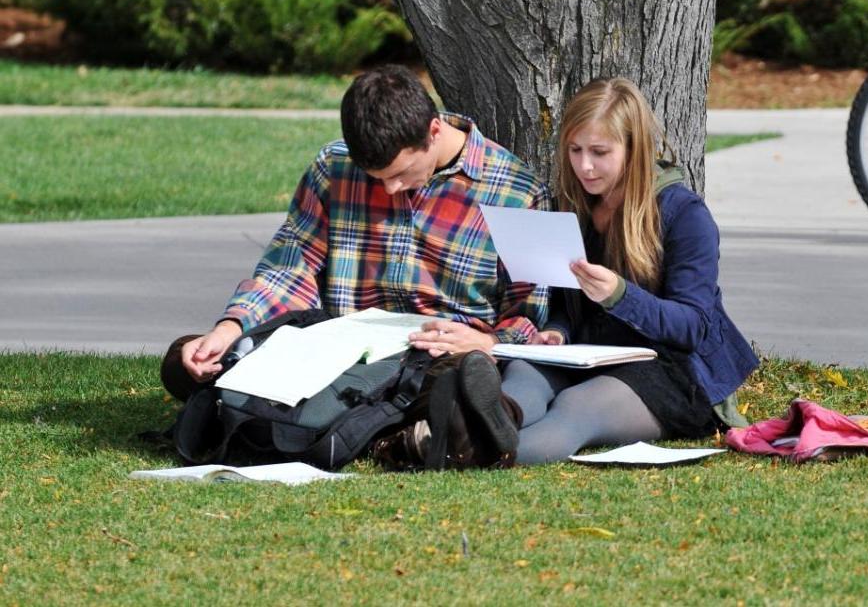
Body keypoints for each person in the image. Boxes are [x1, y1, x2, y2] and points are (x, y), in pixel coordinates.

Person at [372, 77, 758, 467]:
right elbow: (566, 304)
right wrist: (558, 331)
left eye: (599, 152)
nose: (585, 166)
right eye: (575, 150)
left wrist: (620, 296)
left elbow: (694, 326)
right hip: (589, 354)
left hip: (673, 369)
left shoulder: (683, 214)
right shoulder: (575, 205)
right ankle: (470, 428)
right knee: (525, 374)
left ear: (634, 148)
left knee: (578, 406)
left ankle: (450, 450)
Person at [161, 65, 552, 402]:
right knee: (188, 361)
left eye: (400, 174)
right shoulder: (334, 166)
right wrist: (231, 327)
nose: (391, 190)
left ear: (434, 131)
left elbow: (529, 311)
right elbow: (290, 267)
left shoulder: (518, 193)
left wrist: (489, 344)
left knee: (453, 384)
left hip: (438, 353)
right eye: (376, 179)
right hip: (336, 346)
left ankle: (422, 415)